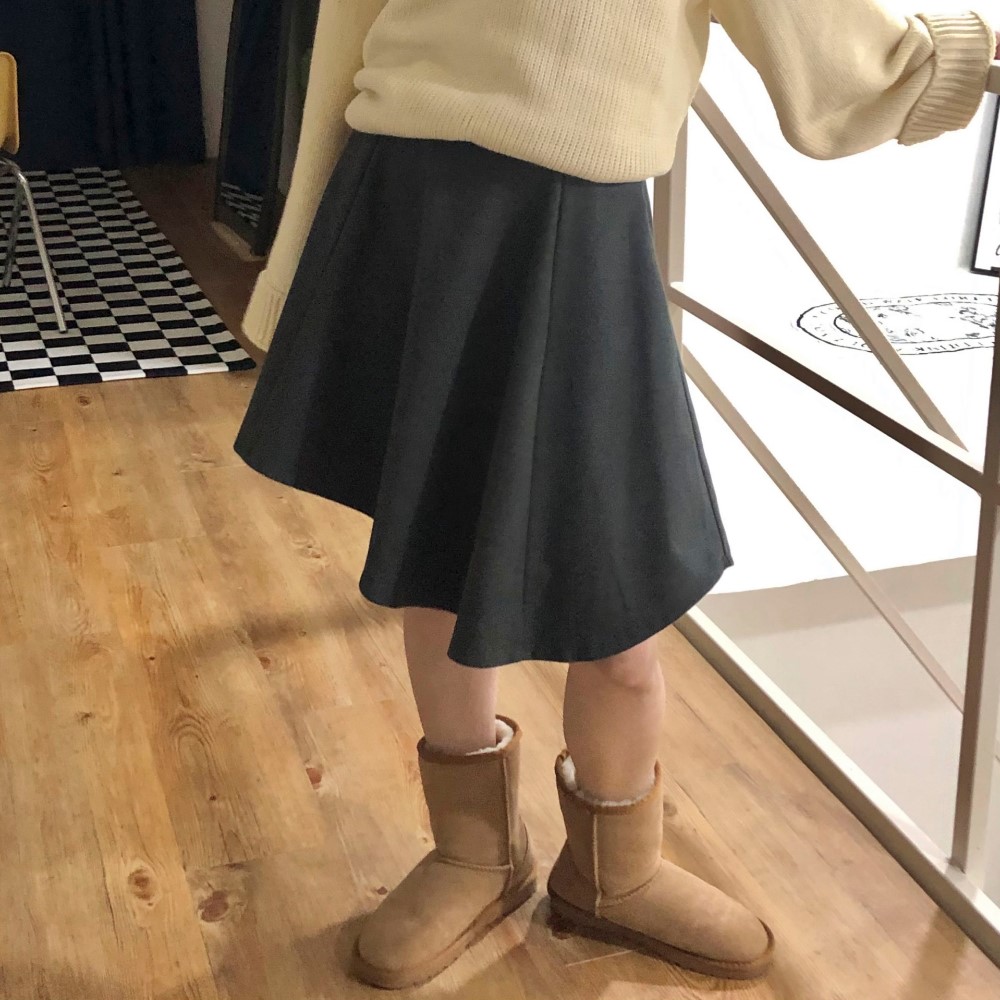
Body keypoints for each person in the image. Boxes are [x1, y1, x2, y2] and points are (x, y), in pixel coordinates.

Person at [233, 0, 997, 988]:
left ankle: (614, 870)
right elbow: (347, 28)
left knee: (621, 595)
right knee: (435, 558)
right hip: (404, 198)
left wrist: (957, 56)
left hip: (574, 226)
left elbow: (826, 48)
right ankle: (472, 854)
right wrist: (296, 262)